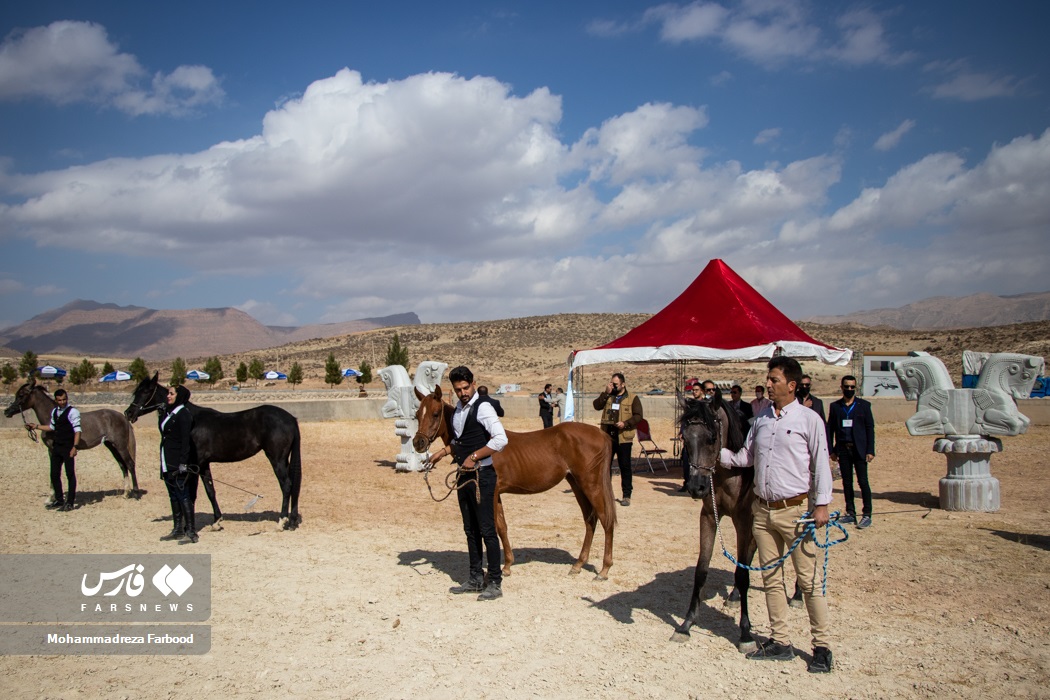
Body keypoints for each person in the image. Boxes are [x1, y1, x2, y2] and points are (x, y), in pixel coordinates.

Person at [720, 356, 835, 674]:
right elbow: (745, 456)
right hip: (762, 511)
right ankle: (780, 641)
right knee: (771, 579)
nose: (768, 384)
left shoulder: (809, 420)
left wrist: (822, 504)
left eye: (773, 379)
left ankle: (822, 647)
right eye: (767, 380)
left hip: (795, 512)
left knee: (809, 582)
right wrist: (714, 453)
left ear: (792, 385)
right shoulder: (761, 421)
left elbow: (820, 464)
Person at [428, 366, 509, 601]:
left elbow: (501, 439)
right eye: (458, 389)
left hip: (483, 476)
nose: (463, 392)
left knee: (487, 529)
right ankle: (475, 577)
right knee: (470, 530)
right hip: (464, 476)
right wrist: (441, 453)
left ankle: (494, 581)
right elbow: (460, 441)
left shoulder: (483, 407)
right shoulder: (458, 412)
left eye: (465, 387)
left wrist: (474, 457)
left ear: (473, 383)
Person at [827, 375, 875, 529]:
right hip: (843, 449)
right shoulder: (835, 407)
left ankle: (867, 513)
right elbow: (830, 429)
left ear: (856, 388)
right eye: (846, 387)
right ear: (841, 387)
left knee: (863, 481)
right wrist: (831, 450)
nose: (849, 389)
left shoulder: (864, 406)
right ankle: (850, 513)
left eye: (852, 387)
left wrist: (870, 450)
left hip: (859, 449)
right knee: (846, 482)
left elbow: (869, 429)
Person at [26, 388, 81, 511]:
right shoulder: (55, 412)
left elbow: (77, 431)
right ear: (56, 400)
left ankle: (70, 502)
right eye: (60, 400)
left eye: (64, 399)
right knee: (54, 474)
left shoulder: (73, 412)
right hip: (57, 446)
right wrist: (36, 426)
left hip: (68, 447)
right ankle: (59, 500)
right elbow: (51, 427)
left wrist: (75, 447)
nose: (62, 402)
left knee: (70, 474)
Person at [159, 385, 200, 543]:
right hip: (167, 460)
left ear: (180, 396)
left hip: (178, 462)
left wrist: (183, 462)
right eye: (168, 393)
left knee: (183, 495)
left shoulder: (183, 414)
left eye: (171, 394)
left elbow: (185, 442)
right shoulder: (169, 413)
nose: (167, 396)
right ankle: (177, 529)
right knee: (173, 496)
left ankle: (190, 531)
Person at [594, 372, 642, 506]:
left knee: (625, 466)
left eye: (615, 384)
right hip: (608, 436)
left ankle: (626, 495)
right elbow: (596, 406)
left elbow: (638, 416)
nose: (613, 386)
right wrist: (605, 393)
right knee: (605, 466)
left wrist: (625, 423)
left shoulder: (632, 398)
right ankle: (606, 493)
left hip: (623, 437)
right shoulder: (608, 396)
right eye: (611, 383)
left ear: (623, 384)